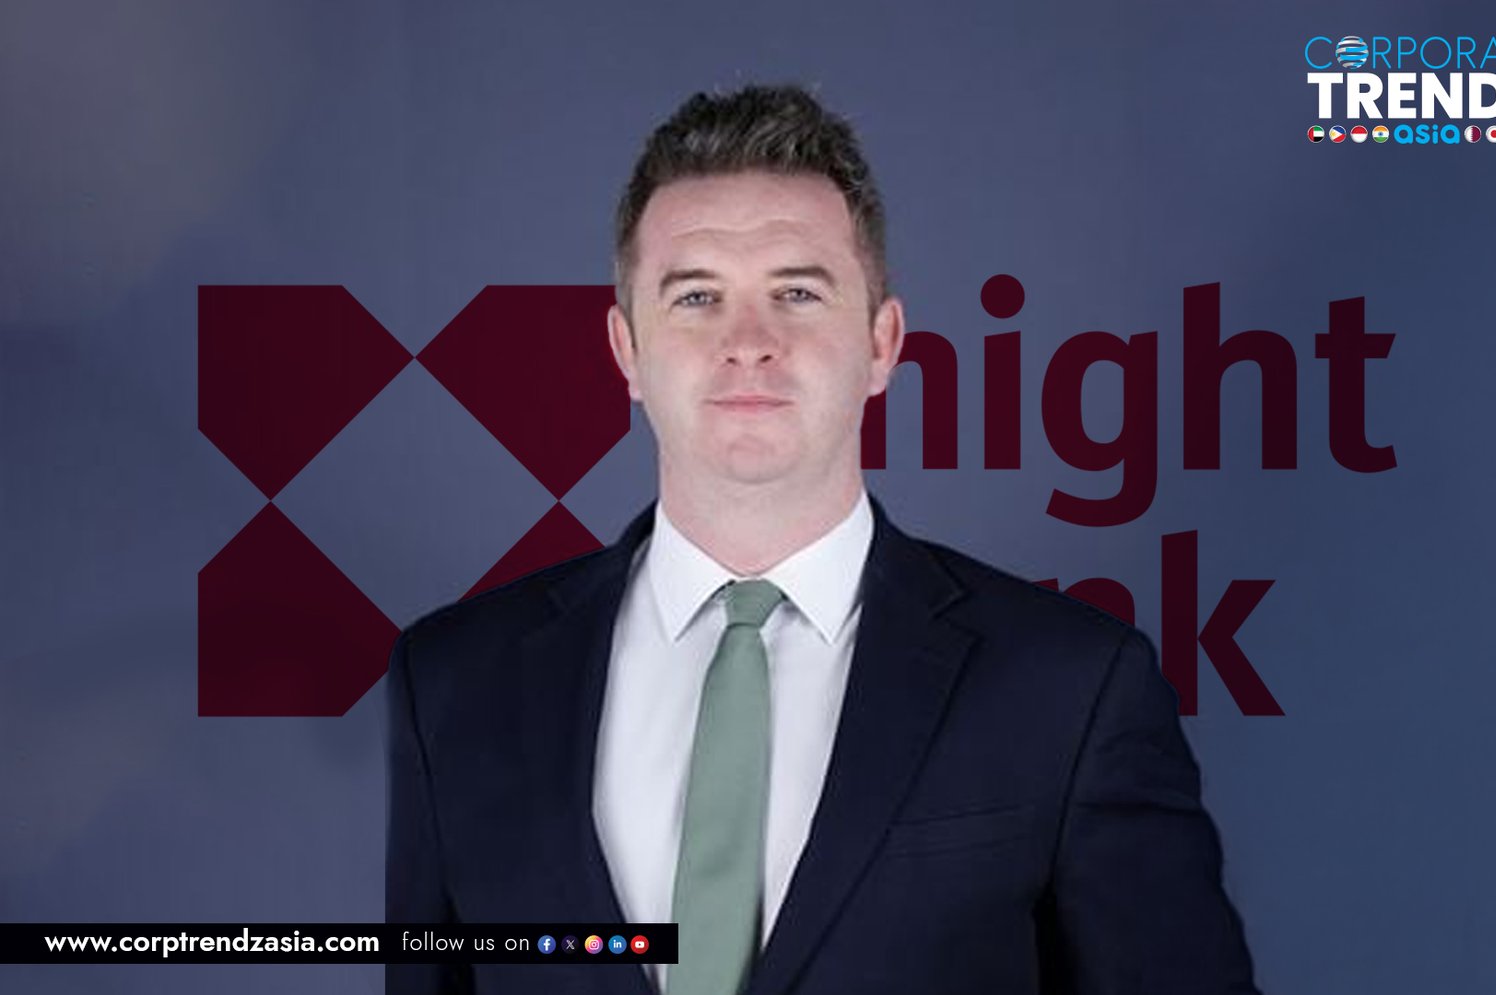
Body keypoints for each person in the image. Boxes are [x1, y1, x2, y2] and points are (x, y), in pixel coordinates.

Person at [386, 83, 1259, 995]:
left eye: (798, 292)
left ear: (882, 343)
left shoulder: (1071, 686)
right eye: (696, 297)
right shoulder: (454, 684)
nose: (749, 342)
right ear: (626, 350)